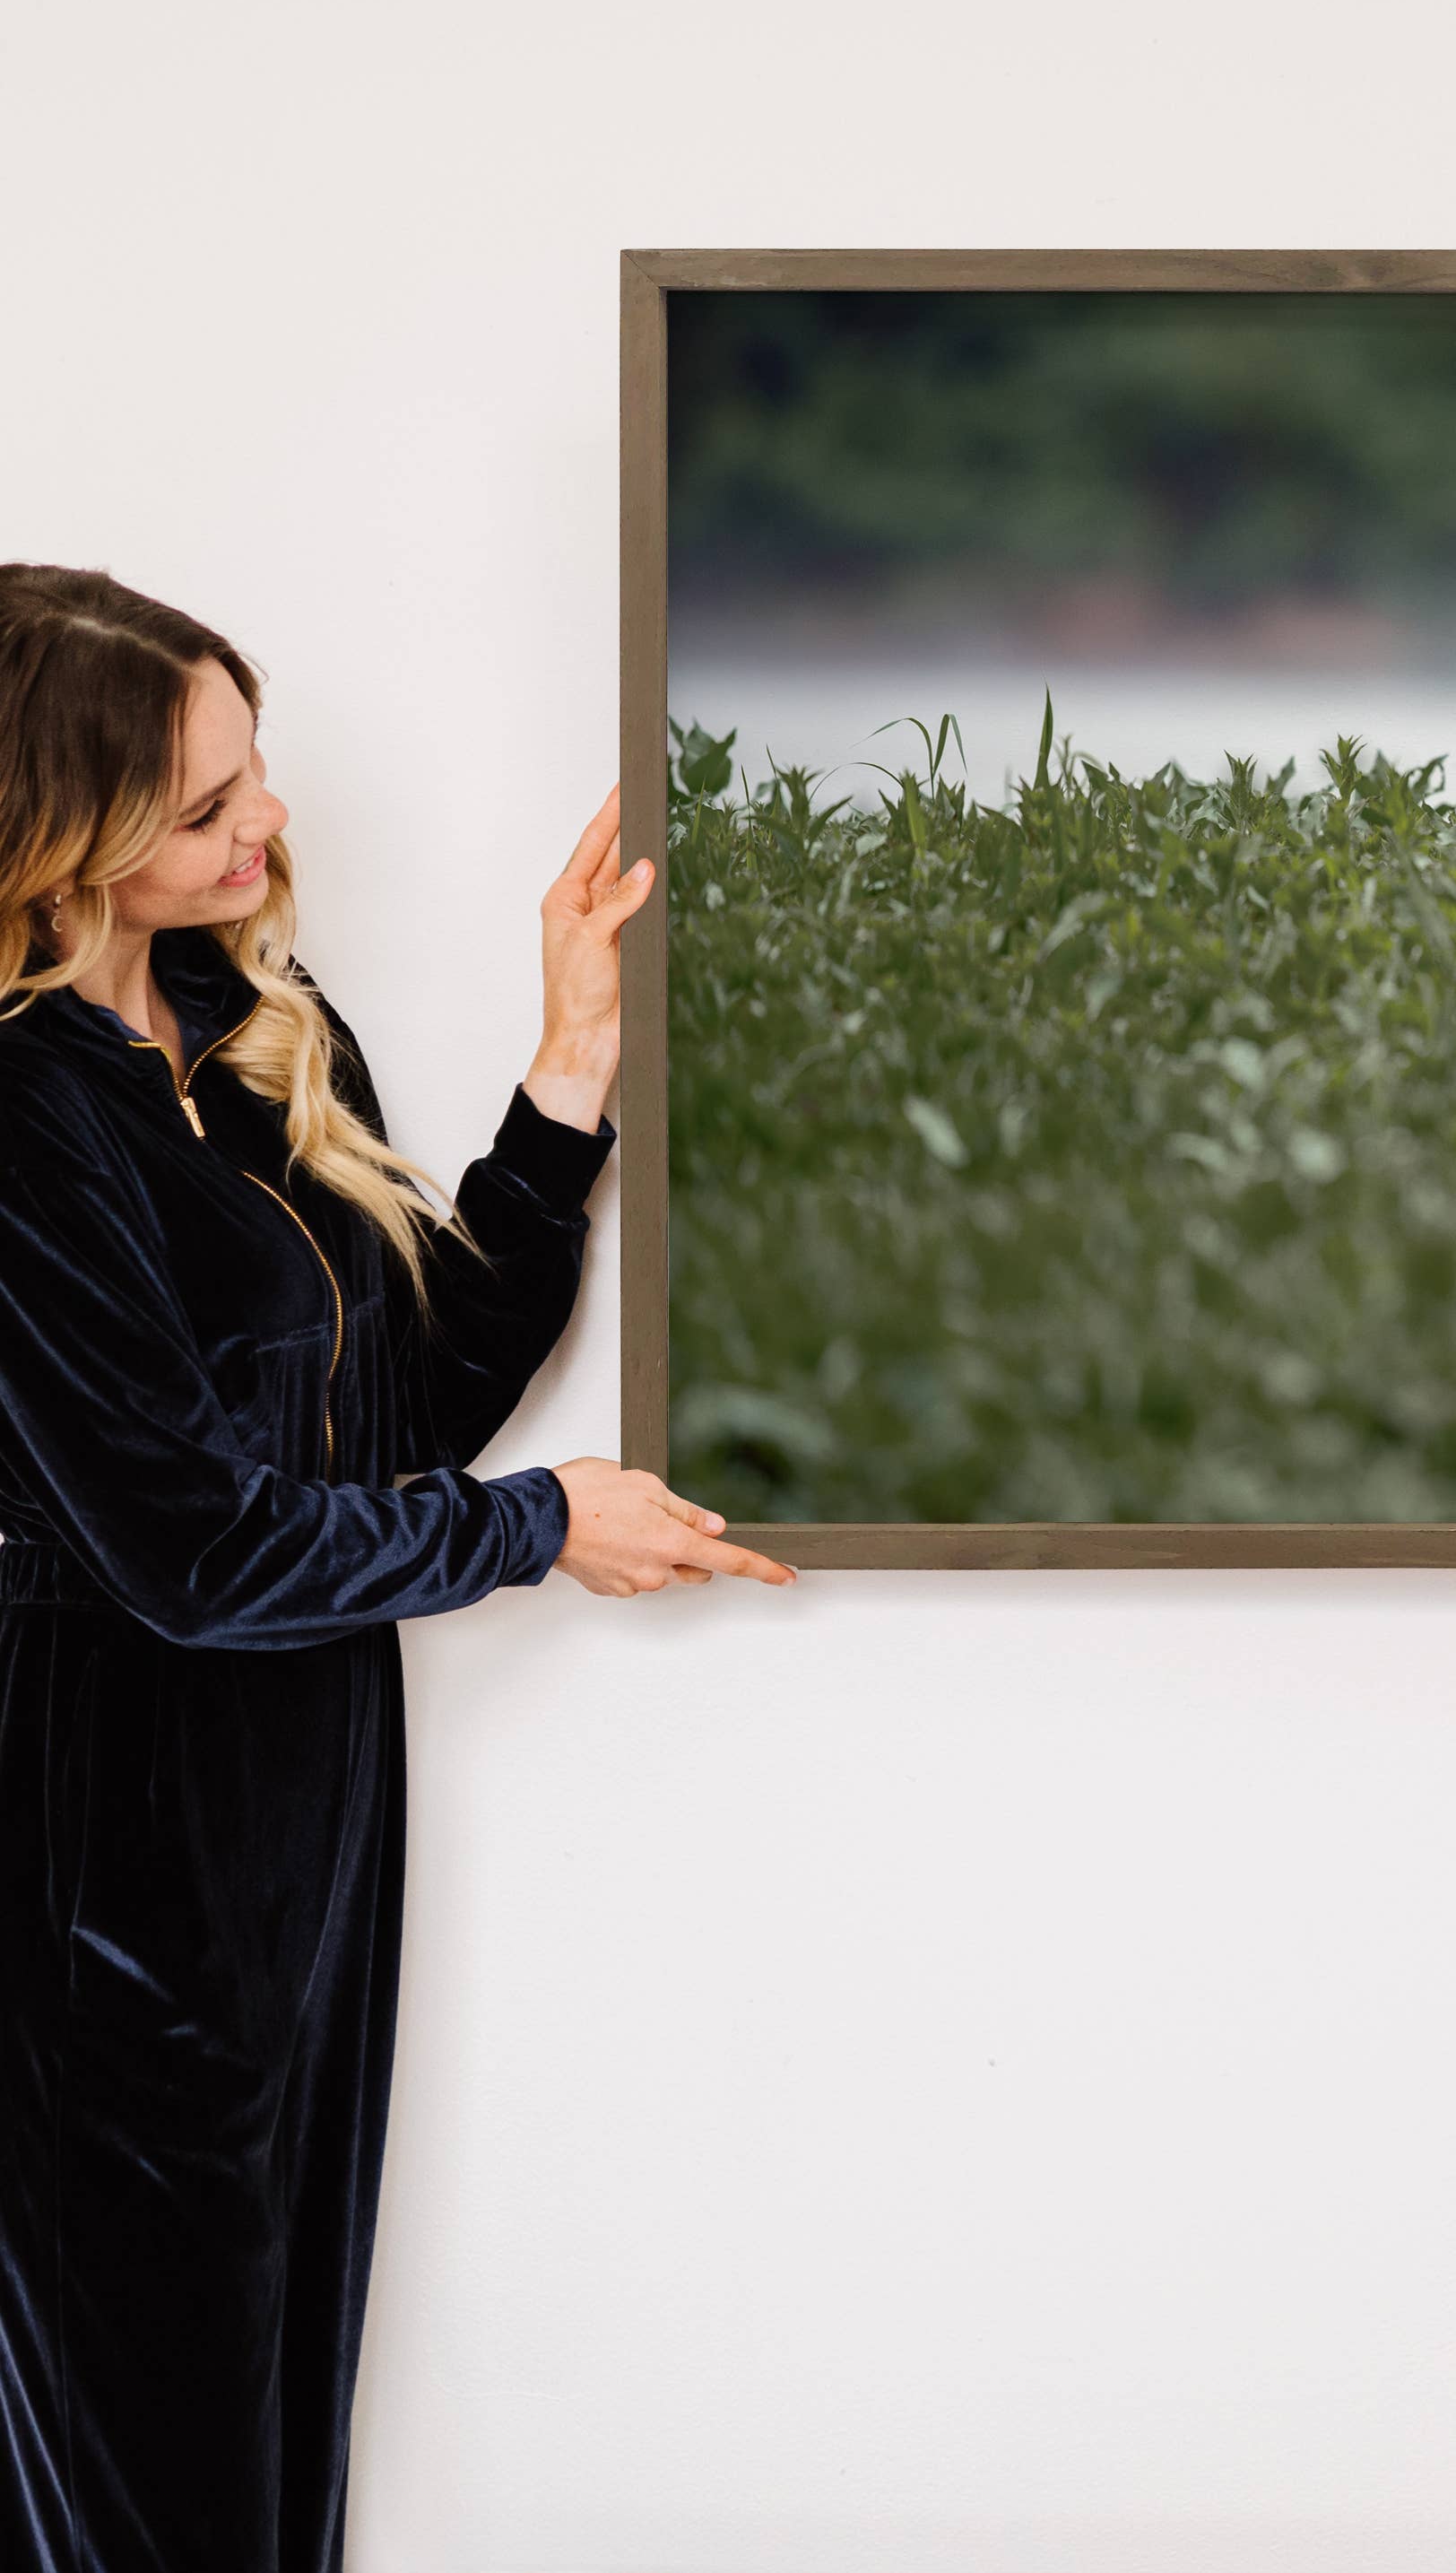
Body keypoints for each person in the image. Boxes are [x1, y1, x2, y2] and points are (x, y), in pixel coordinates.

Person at [0, 564, 793, 2573]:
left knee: (263, 2438)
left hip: (296, 1827)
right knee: (142, 2473)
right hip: (90, 1856)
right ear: (54, 835)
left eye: (254, 771)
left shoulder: (245, 1019)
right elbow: (187, 1550)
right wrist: (543, 1531)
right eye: (205, 808)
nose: (266, 828)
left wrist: (572, 1066)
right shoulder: (18, 1120)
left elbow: (405, 1403)